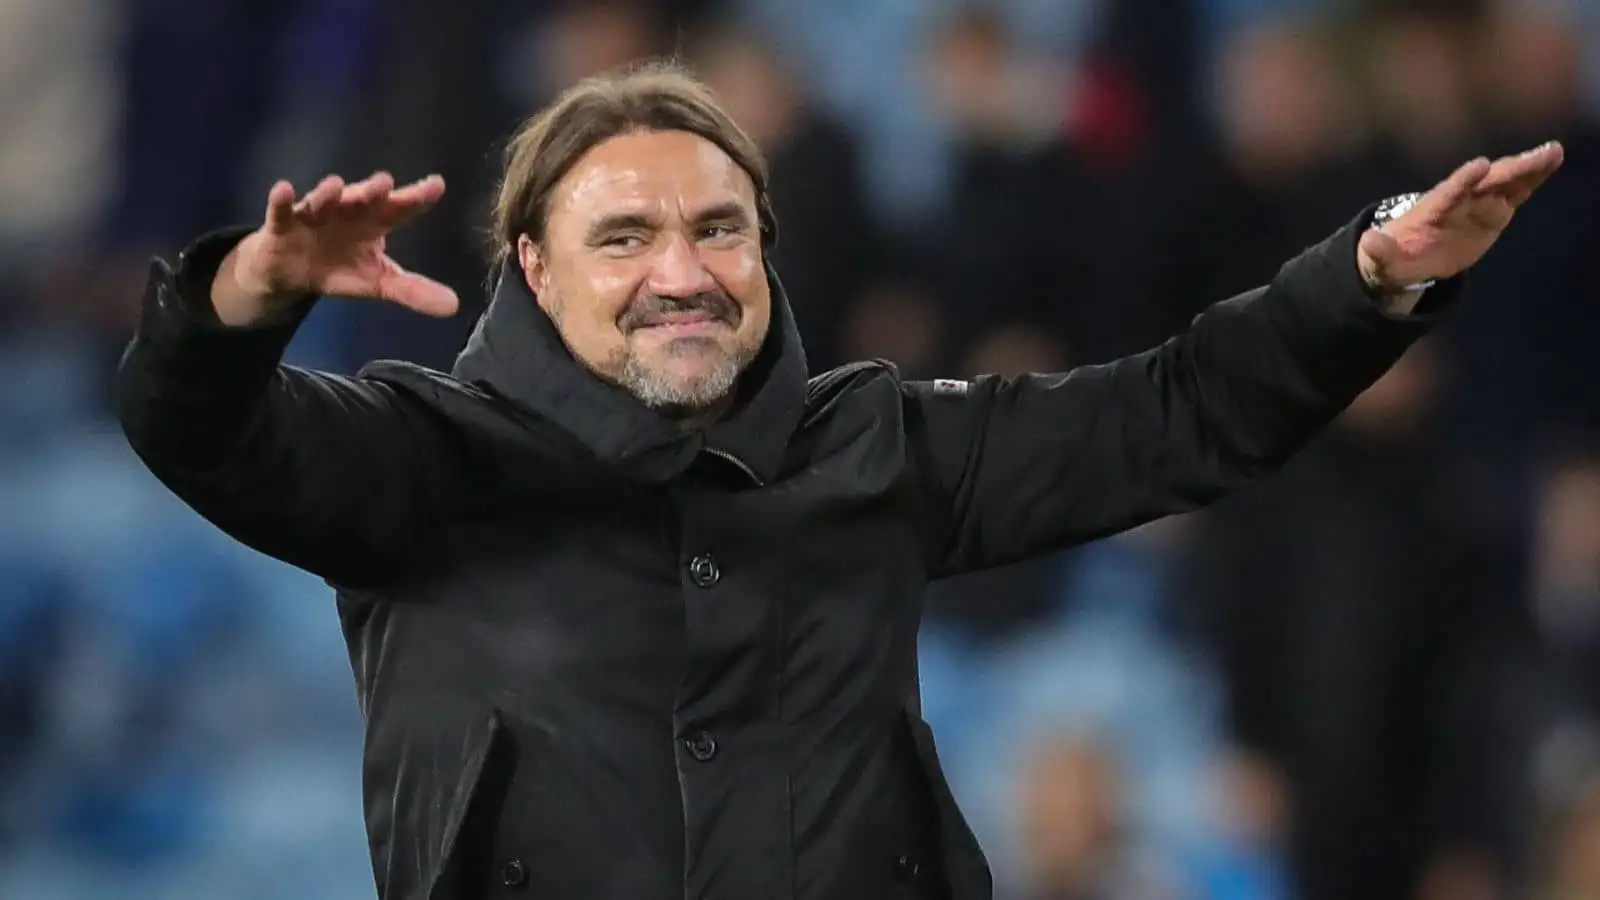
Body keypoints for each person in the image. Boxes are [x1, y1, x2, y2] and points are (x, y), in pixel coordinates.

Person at [114, 60, 1563, 900]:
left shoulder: (879, 445)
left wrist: (1366, 279)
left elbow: (1174, 417)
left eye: (720, 229)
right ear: (533, 268)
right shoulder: (416, 459)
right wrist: (242, 299)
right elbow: (206, 434)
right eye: (625, 238)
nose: (682, 273)